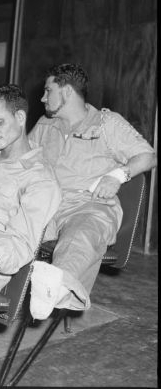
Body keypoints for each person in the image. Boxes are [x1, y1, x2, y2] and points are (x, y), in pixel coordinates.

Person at [28, 63, 157, 320]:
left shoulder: (107, 122)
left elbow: (148, 156)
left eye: (47, 90)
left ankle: (55, 285)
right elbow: (23, 159)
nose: (42, 98)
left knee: (82, 231)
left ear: (65, 92)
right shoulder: (45, 124)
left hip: (89, 205)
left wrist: (118, 175)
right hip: (48, 205)